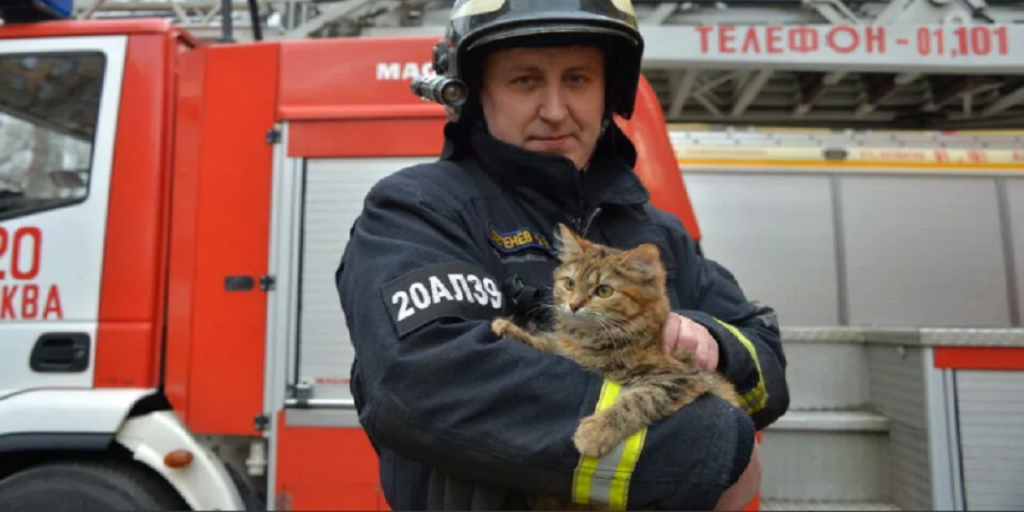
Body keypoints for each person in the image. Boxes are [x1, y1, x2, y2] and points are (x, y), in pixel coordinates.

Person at [335, 0, 789, 509]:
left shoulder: (658, 233)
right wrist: (704, 449)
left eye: (577, 79)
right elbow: (424, 381)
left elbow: (765, 362)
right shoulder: (419, 209)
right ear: (475, 92)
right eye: (524, 81)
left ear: (608, 91)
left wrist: (712, 342)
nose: (555, 109)